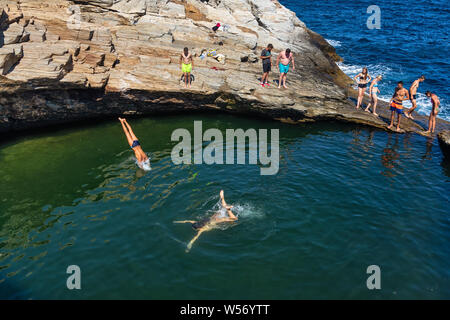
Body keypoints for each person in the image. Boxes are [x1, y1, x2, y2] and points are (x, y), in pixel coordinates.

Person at [174, 190, 238, 252]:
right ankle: (222, 199)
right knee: (221, 210)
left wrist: (189, 245)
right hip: (210, 218)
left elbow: (195, 237)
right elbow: (187, 221)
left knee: (234, 219)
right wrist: (177, 222)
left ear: (199, 228)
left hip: (214, 221)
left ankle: (229, 209)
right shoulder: (195, 222)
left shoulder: (202, 229)